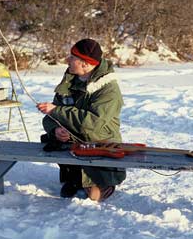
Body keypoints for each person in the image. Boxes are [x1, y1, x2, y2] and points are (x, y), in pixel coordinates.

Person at [36, 38, 126, 201]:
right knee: (68, 190)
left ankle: (105, 183)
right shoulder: (70, 82)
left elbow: (92, 124)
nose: (67, 60)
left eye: (72, 57)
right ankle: (75, 179)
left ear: (85, 64)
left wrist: (58, 111)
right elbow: (50, 118)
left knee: (93, 195)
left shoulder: (109, 90)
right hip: (74, 144)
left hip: (101, 143)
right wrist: (56, 131)